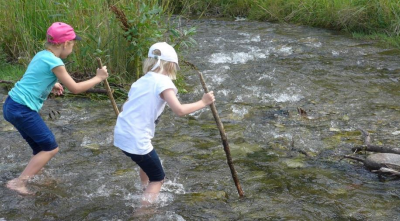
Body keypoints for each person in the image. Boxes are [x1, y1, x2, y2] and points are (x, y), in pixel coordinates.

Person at [3, 22, 109, 195]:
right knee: (51, 147)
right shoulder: (56, 62)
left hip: (11, 105)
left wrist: (53, 84)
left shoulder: (42, 55)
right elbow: (75, 88)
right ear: (65, 43)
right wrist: (99, 78)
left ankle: (38, 177)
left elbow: (34, 78)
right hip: (22, 109)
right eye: (73, 44)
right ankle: (19, 183)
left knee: (40, 147)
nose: (72, 48)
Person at [113, 42, 215, 207]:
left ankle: (144, 189)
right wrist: (204, 102)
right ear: (172, 65)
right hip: (137, 138)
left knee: (147, 163)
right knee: (158, 178)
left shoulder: (141, 80)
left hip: (122, 132)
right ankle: (142, 213)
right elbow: (180, 110)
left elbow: (126, 106)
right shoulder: (164, 83)